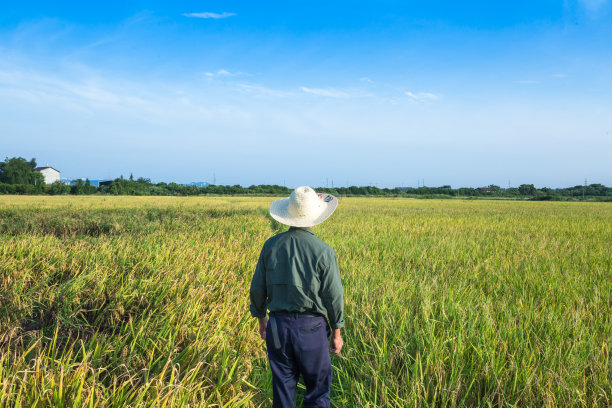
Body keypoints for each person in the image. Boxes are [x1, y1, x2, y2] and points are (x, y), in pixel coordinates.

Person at [249, 186, 345, 408]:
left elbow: (257, 288)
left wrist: (262, 320)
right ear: (314, 216)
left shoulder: (270, 246)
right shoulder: (323, 251)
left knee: (282, 392)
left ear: (288, 215)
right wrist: (336, 332)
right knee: (318, 392)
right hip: (311, 329)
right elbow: (334, 295)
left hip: (278, 327)